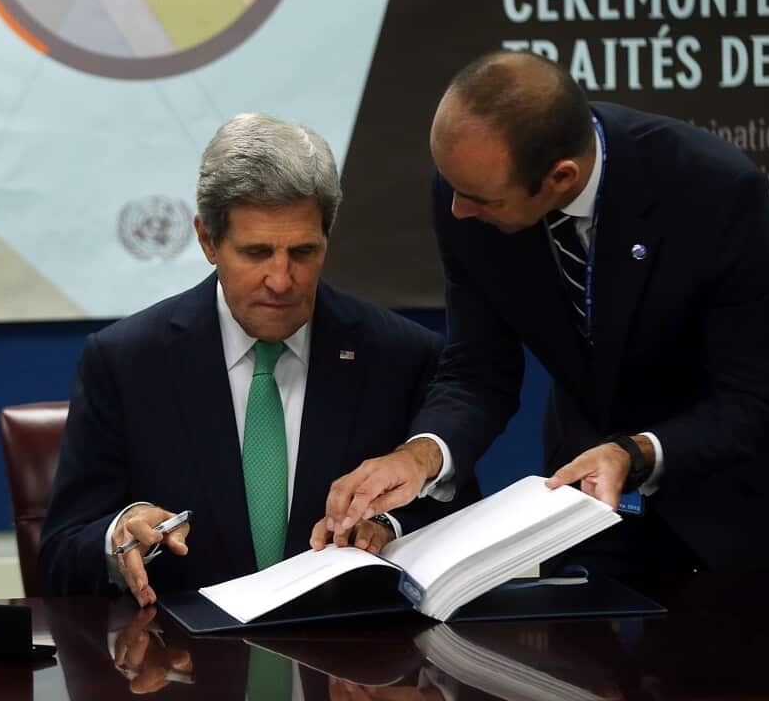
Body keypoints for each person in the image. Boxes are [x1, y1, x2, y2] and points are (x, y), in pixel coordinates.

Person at [321, 51, 769, 573]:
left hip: (764, 502)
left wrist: (636, 453)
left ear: (561, 177)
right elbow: (477, 370)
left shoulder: (714, 190)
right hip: (596, 501)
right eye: (452, 186)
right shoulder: (472, 184)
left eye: (480, 200)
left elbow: (759, 395)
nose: (456, 209)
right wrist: (420, 457)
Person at [39, 113, 477, 605]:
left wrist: (387, 524)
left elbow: (459, 520)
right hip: (188, 668)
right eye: (256, 252)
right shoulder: (127, 362)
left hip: (349, 667)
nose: (281, 279)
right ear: (208, 241)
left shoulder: (400, 355)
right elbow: (59, 556)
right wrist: (117, 534)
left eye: (303, 252)